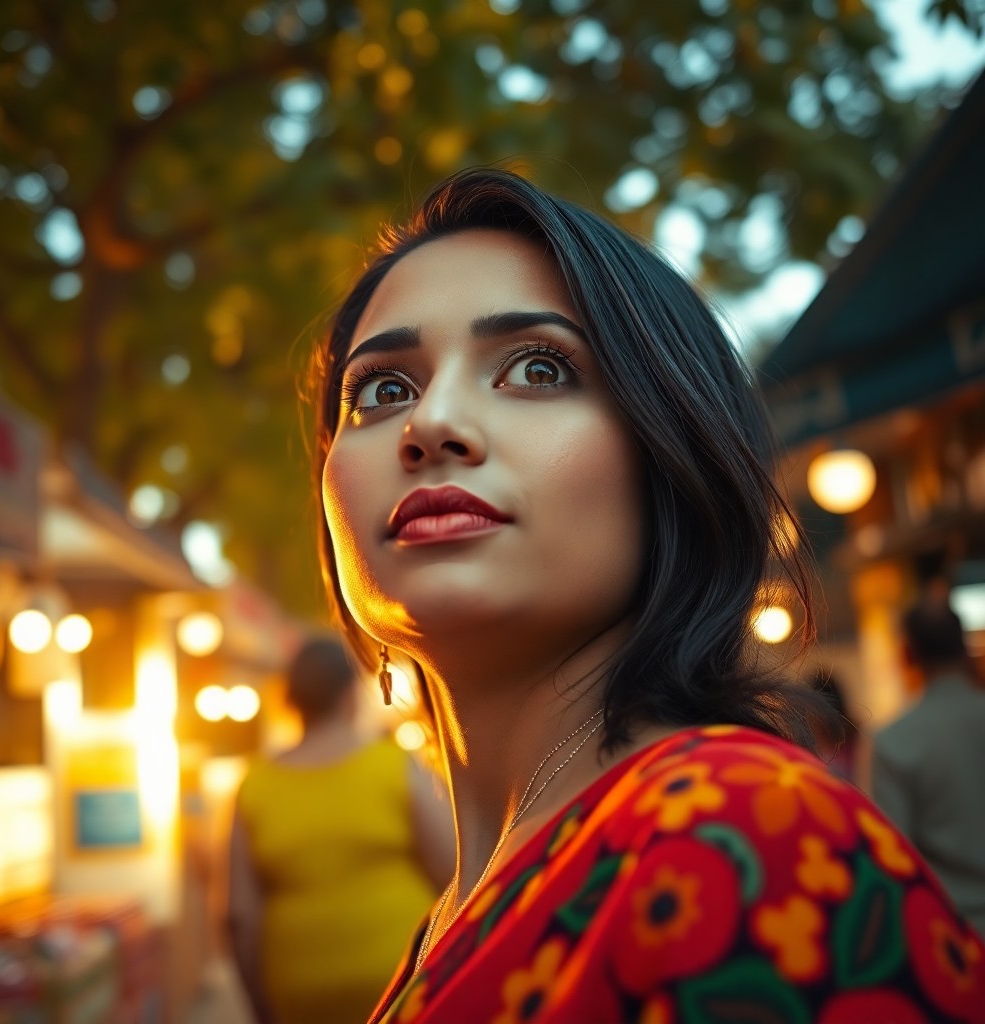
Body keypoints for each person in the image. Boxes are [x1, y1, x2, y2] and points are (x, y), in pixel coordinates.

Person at [308, 167, 985, 1023]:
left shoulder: (747, 838)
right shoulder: (453, 911)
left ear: (672, 452)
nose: (430, 422)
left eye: (538, 369)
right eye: (382, 389)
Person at [227, 635, 454, 1024]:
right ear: (351, 696)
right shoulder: (395, 766)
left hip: (299, 988)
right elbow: (454, 871)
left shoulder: (256, 785)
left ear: (292, 700)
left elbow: (238, 914)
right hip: (401, 977)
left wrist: (258, 1003)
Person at [872, 598, 985, 941]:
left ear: (906, 655)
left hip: (954, 935)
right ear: (964, 647)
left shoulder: (895, 741)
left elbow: (897, 860)